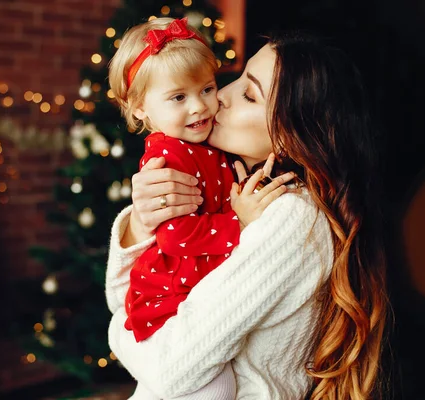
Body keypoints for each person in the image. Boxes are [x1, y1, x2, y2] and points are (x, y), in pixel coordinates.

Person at [106, 31, 389, 400]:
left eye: (249, 94)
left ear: (289, 137)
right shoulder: (230, 185)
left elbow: (168, 368)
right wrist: (142, 224)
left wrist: (115, 330)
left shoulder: (290, 217)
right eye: (236, 79)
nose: (218, 97)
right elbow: (130, 296)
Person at [107, 17, 294, 400]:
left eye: (207, 88)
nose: (204, 106)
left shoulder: (210, 146)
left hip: (186, 297)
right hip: (169, 294)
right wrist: (239, 222)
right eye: (178, 98)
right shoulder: (167, 156)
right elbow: (174, 236)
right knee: (210, 389)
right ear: (140, 108)